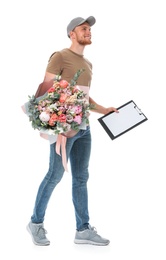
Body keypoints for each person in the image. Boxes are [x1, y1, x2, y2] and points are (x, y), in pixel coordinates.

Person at [26, 16, 118, 246]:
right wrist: (56, 126)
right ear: (71, 34)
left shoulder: (88, 64)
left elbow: (83, 98)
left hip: (84, 128)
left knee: (80, 178)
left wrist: (103, 109)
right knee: (54, 175)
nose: (88, 32)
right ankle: (35, 223)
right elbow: (44, 93)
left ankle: (83, 229)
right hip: (63, 130)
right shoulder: (60, 57)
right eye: (83, 28)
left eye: (90, 29)